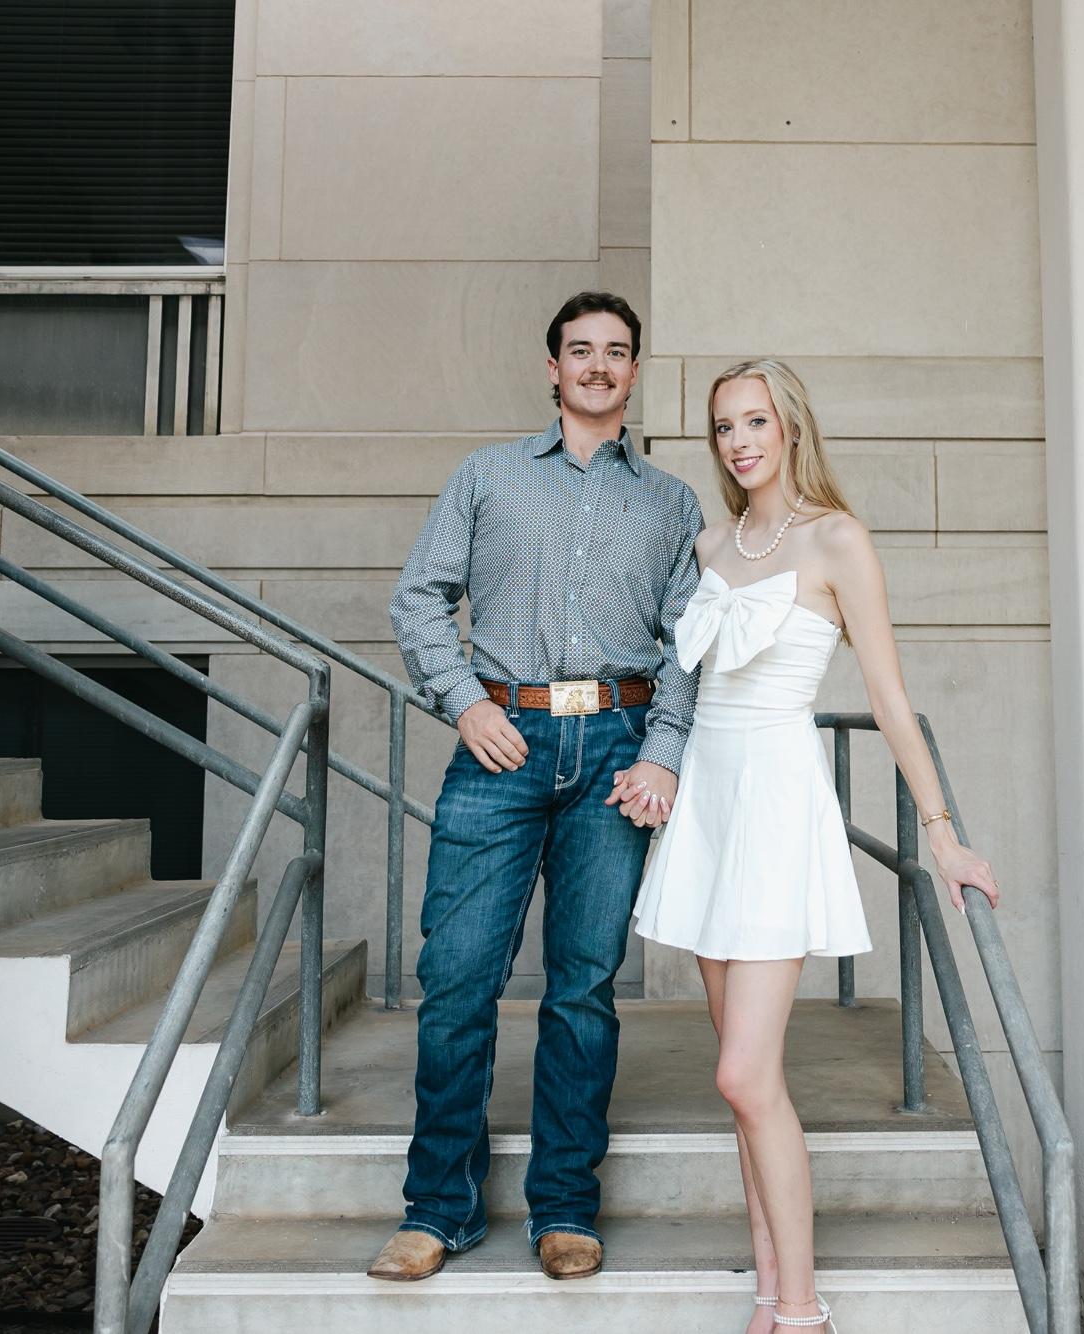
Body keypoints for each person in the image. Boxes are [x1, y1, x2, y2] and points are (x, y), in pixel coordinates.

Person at [633, 359, 1001, 1334]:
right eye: (723, 426)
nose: (739, 441)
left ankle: (802, 1310)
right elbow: (683, 683)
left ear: (790, 426)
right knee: (743, 1083)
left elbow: (888, 698)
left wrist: (943, 837)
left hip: (774, 807)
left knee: (742, 1074)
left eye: (755, 421)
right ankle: (768, 1296)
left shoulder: (838, 538)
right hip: (708, 804)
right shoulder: (710, 544)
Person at [369, 292, 703, 1284]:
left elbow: (691, 644)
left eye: (616, 351)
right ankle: (437, 1208)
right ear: (552, 367)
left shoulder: (672, 503)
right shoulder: (488, 476)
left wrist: (664, 751)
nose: (597, 364)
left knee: (583, 989)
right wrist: (464, 702)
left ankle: (563, 1205)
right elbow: (419, 597)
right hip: (501, 744)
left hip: (617, 753)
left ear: (634, 370)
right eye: (579, 349)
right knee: (458, 976)